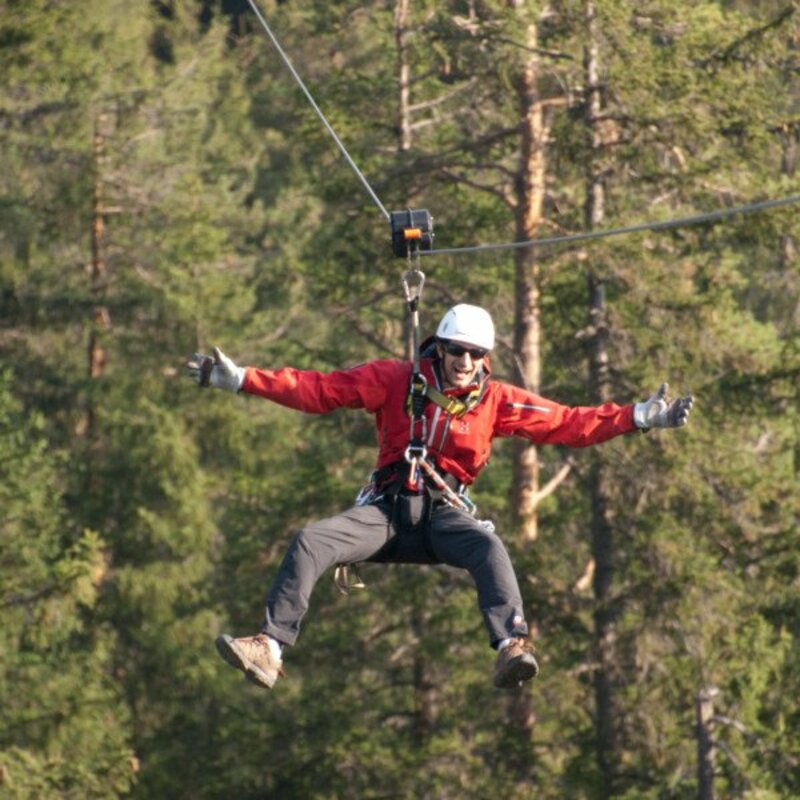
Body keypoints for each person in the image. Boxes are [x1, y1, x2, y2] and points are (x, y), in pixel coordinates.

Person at [187, 304, 693, 690]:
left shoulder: (497, 401)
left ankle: (511, 644)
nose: (465, 363)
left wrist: (637, 416)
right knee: (312, 540)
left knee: (489, 548)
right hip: (385, 512)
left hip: (443, 518)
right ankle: (270, 647)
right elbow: (320, 389)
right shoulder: (395, 380)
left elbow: (567, 423)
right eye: (457, 352)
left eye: (475, 355)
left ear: (485, 359)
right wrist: (243, 381)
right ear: (440, 349)